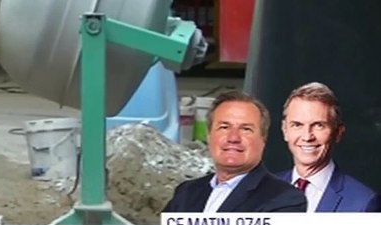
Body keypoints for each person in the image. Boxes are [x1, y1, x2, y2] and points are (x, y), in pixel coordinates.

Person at [163, 89, 306, 213]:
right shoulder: (186, 193)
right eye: (224, 127)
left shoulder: (285, 199)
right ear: (209, 135)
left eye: (246, 129)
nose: (233, 138)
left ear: (263, 139)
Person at [276, 82, 380, 212]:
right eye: (297, 125)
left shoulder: (363, 203)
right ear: (285, 130)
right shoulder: (263, 192)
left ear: (338, 132)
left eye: (319, 125)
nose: (307, 137)